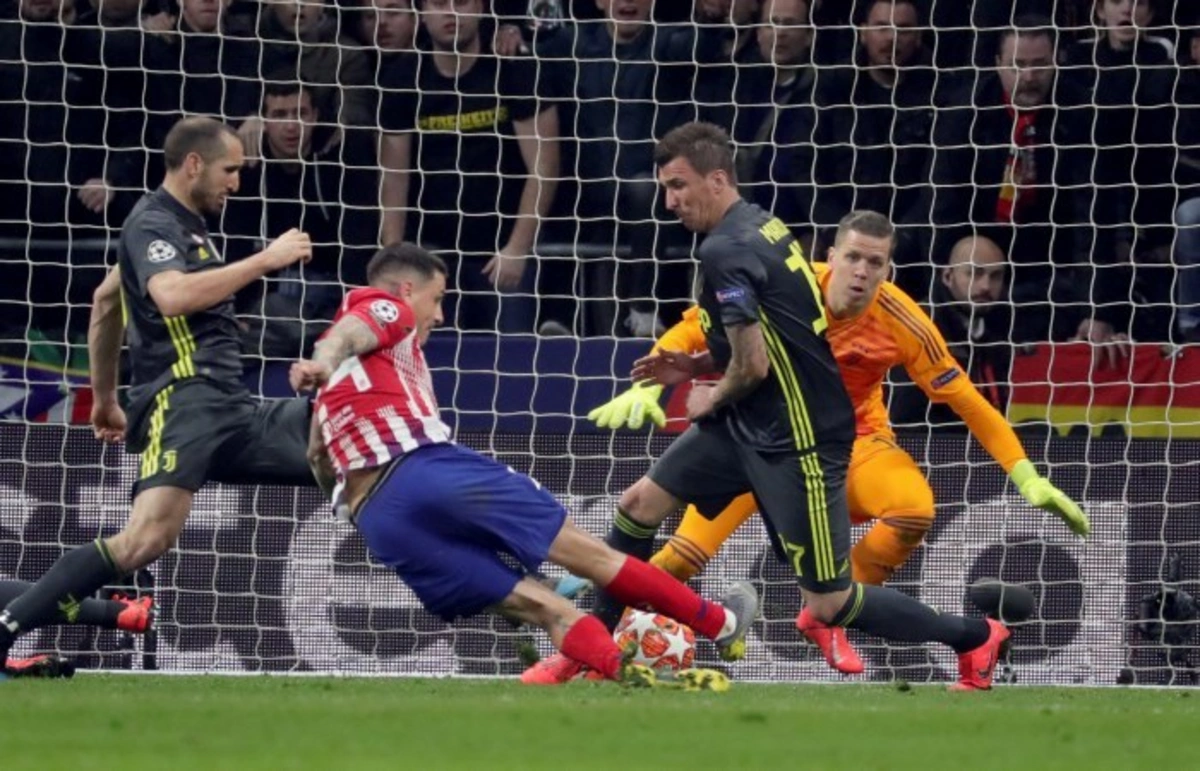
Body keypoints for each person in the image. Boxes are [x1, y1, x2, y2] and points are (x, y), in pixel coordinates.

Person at [525, 123, 1011, 690]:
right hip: (752, 418)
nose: (670, 201)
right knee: (637, 506)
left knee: (829, 602)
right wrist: (697, 364)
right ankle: (589, 653)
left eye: (678, 186)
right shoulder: (764, 225)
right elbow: (776, 335)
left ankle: (975, 637)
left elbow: (753, 364)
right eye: (665, 188)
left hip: (799, 437)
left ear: (716, 180)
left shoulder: (725, 250)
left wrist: (709, 396)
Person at [578, 211, 1089, 676]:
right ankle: (590, 647)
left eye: (875, 263)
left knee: (912, 510)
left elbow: (969, 402)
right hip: (752, 436)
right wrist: (648, 383)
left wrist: (1025, 474)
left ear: (889, 270)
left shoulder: (903, 320)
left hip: (848, 443)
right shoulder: (789, 288)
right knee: (673, 561)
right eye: (853, 258)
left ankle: (829, 616)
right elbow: (694, 328)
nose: (862, 272)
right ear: (830, 257)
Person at [286, 243, 758, 689]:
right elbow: (354, 330)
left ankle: (629, 676)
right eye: (438, 298)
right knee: (597, 558)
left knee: (544, 609)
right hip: (422, 469)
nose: (440, 315)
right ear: (408, 290)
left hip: (378, 520)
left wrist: (324, 378)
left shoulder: (332, 391)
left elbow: (317, 457)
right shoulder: (383, 307)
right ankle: (720, 622)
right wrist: (321, 361)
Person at [0, 117, 316, 673]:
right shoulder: (153, 223)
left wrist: (104, 399)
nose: (237, 182)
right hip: (187, 399)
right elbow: (171, 297)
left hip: (229, 404)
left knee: (341, 445)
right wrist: (266, 259)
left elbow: (105, 302)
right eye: (230, 169)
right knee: (143, 541)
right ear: (193, 164)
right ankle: (10, 629)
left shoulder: (180, 225)